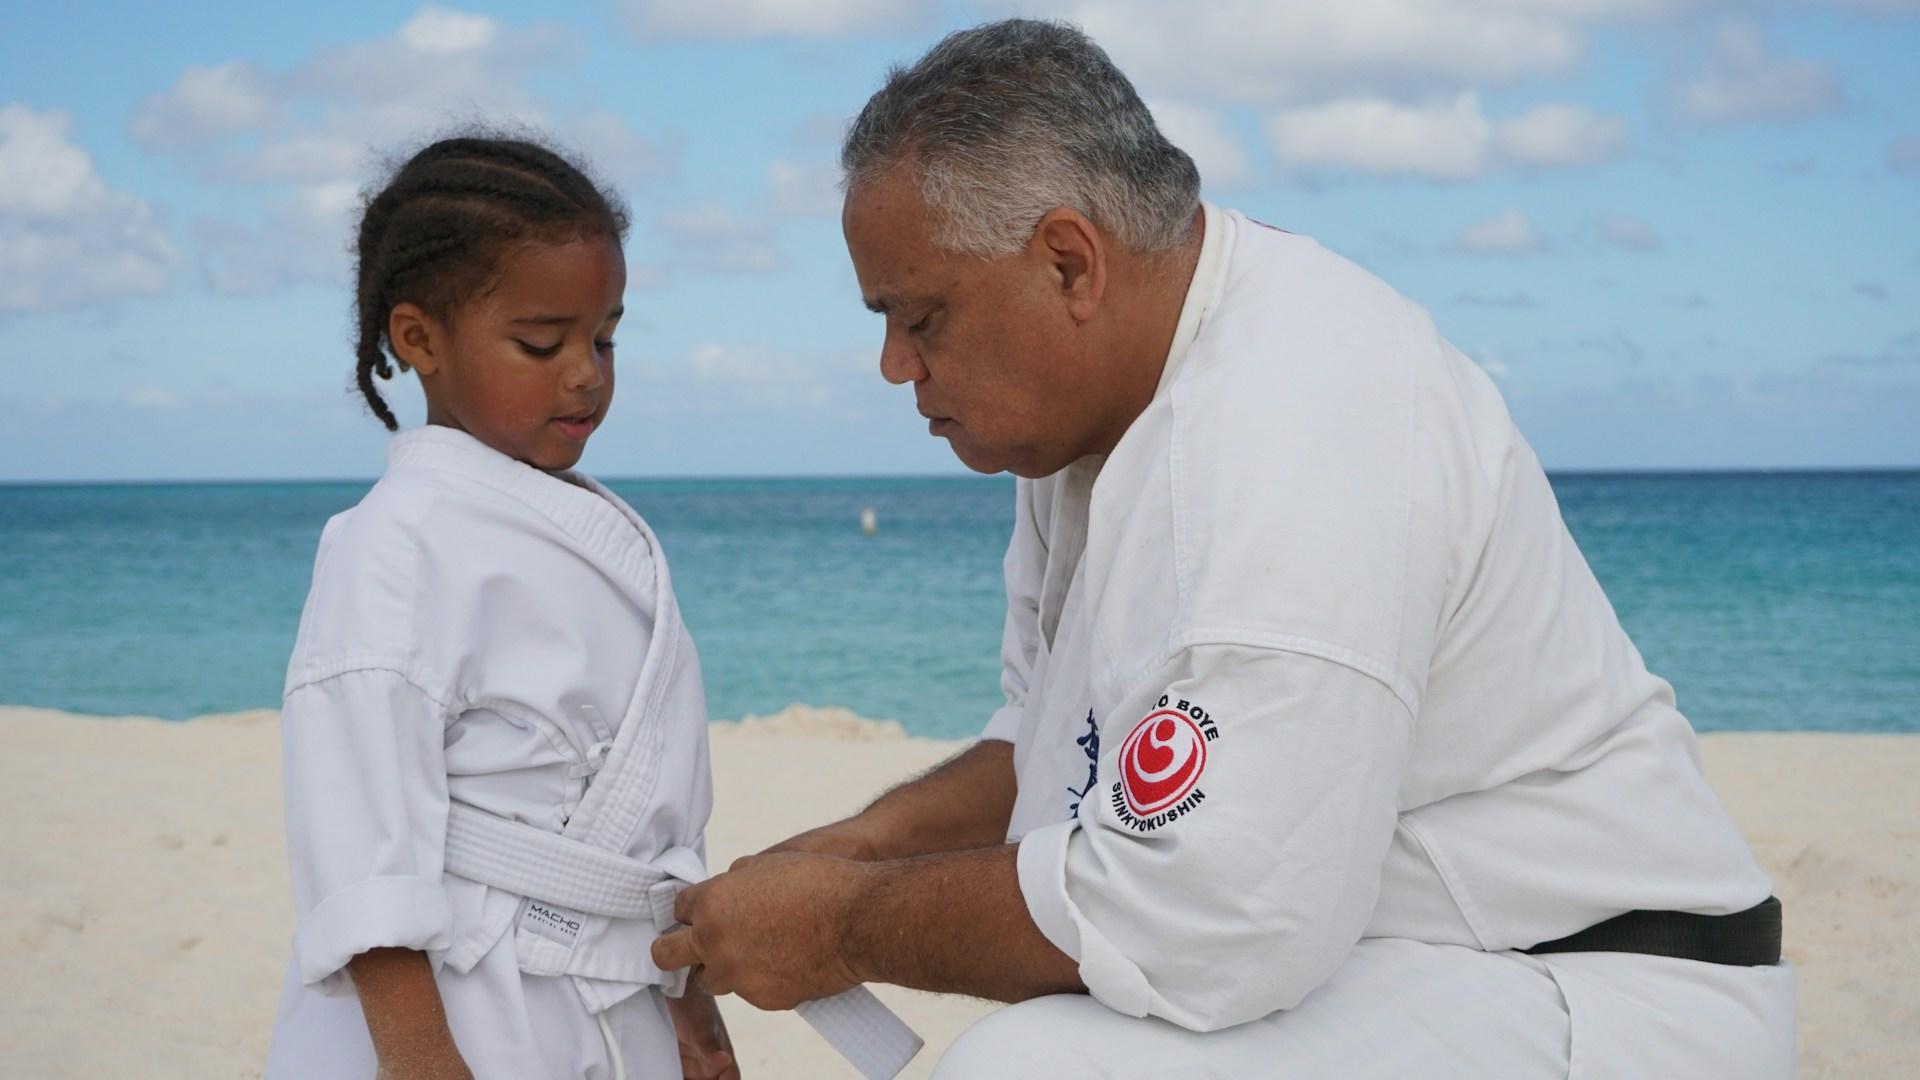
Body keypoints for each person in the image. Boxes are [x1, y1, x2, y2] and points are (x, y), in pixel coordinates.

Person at [650, 20, 1795, 1077]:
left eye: (922, 316)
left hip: (1604, 988)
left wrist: (842, 924)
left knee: (1030, 1071)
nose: (896, 367)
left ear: (1068, 264)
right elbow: (1056, 744)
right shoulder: (1098, 423)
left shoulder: (1297, 413)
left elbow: (1212, 917)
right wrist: (845, 856)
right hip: (1410, 954)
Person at [263, 134, 737, 1080]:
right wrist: (423, 1060)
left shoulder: (589, 527)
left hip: (616, 988)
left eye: (605, 337)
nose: (586, 373)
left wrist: (694, 1016)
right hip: (462, 1005)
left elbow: (652, 825)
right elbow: (360, 848)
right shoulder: (391, 545)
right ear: (420, 339)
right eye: (541, 342)